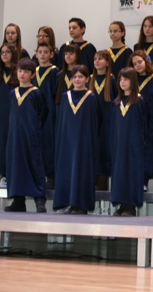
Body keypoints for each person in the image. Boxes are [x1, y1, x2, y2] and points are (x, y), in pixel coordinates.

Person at [53, 65, 100, 214]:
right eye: (75, 77)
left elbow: (94, 122)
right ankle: (67, 202)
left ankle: (81, 204)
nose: (77, 80)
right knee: (68, 169)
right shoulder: (65, 96)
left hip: (84, 142)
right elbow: (62, 122)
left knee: (81, 170)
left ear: (87, 79)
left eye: (81, 77)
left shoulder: (90, 97)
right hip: (67, 141)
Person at [4, 59, 48, 213]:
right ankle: (18, 200)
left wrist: (34, 128)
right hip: (15, 136)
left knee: (34, 164)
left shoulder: (36, 93)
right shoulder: (12, 93)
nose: (22, 74)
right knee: (16, 166)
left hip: (31, 135)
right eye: (20, 71)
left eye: (26, 71)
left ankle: (39, 200)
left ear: (32, 74)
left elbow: (42, 113)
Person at [110, 67, 148, 217]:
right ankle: (121, 203)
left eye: (126, 79)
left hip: (133, 144)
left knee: (131, 173)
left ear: (133, 81)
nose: (122, 82)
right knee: (120, 173)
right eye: (120, 79)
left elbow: (144, 124)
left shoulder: (139, 101)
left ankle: (131, 205)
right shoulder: (116, 102)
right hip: (119, 144)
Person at [130, 51, 153, 191]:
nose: (138, 65)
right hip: (135, 119)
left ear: (146, 62)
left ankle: (144, 181)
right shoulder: (132, 80)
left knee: (147, 150)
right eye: (134, 64)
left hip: (150, 120)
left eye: (140, 62)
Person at [0, 43, 20, 189]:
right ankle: (3, 175)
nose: (4, 54)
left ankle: (13, 174)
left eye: (7, 52)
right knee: (0, 143)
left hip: (14, 112)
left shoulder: (19, 72)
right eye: (2, 52)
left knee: (13, 143)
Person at [32, 42, 59, 189]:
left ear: (51, 54)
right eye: (40, 52)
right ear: (36, 54)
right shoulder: (33, 71)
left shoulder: (55, 72)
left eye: (46, 52)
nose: (42, 55)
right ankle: (36, 176)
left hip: (50, 113)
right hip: (35, 113)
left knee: (49, 143)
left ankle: (51, 176)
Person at [90, 50, 117, 190]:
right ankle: (93, 179)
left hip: (107, 121)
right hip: (93, 121)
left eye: (100, 59)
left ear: (107, 62)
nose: (97, 61)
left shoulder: (111, 79)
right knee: (93, 149)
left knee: (104, 150)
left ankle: (103, 181)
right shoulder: (90, 79)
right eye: (95, 59)